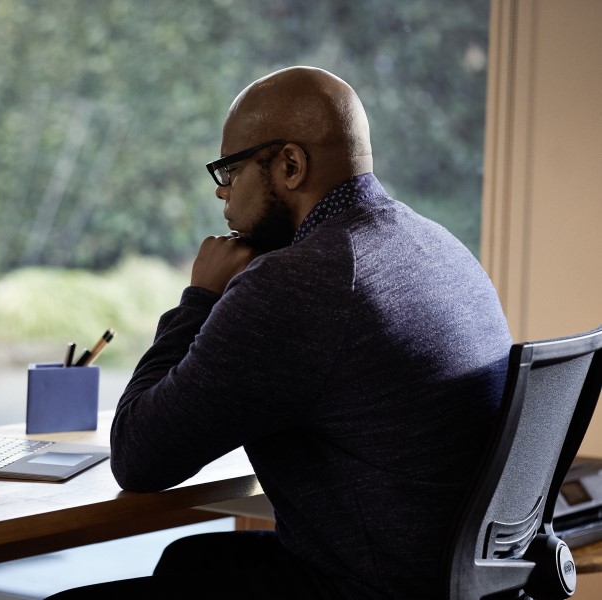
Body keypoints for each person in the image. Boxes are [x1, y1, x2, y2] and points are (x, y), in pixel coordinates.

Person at [48, 66, 512, 599]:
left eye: (231, 170)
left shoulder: (303, 281)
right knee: (187, 560)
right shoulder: (438, 246)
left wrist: (200, 297)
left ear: (290, 165)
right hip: (438, 580)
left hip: (359, 586)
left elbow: (137, 455)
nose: (222, 195)